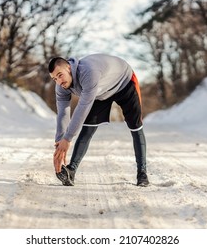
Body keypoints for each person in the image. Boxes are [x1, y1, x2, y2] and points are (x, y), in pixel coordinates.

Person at [48, 53, 149, 187]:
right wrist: (60, 139)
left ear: (68, 67)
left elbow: (82, 108)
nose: (59, 81)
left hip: (124, 81)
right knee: (88, 127)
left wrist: (68, 138)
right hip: (102, 91)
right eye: (54, 79)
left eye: (60, 75)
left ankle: (142, 173)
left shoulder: (88, 73)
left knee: (135, 126)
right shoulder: (61, 85)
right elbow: (62, 112)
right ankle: (71, 170)